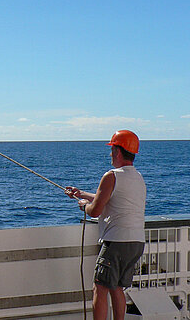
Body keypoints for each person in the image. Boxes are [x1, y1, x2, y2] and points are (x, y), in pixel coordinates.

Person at [65, 130, 145, 320]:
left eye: (112, 150)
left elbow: (95, 211)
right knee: (117, 286)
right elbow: (111, 199)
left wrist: (84, 206)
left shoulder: (111, 176)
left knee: (99, 288)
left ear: (117, 151)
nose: (110, 154)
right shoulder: (138, 178)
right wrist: (82, 193)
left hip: (116, 242)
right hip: (136, 243)